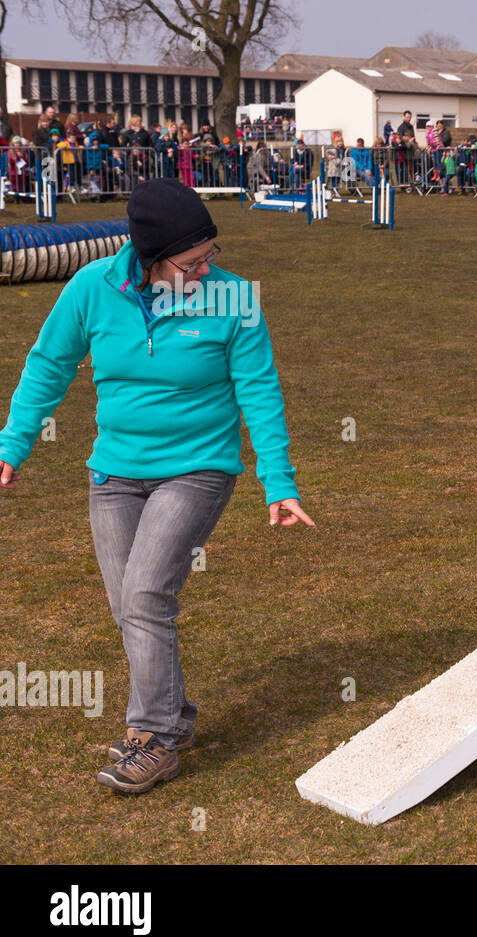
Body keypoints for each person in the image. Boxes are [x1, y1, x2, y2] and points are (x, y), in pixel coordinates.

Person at [0, 178, 314, 794]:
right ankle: (173, 718)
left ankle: (155, 739)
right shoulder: (91, 288)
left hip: (197, 468)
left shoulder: (234, 300)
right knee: (131, 607)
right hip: (113, 473)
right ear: (148, 258)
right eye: (190, 262)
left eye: (209, 256)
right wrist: (14, 444)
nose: (204, 270)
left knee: (144, 595)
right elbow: (48, 365)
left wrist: (279, 481)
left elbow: (260, 390)